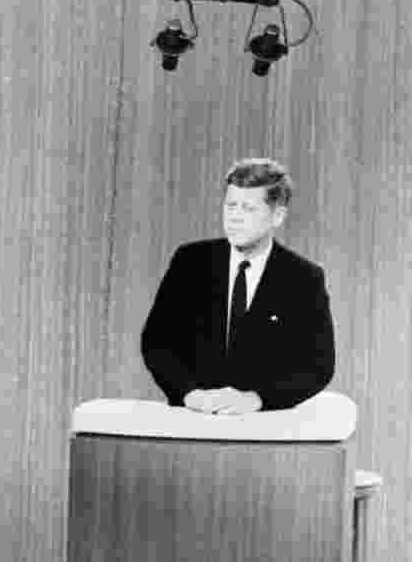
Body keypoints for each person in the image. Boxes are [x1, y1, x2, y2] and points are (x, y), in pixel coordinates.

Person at [141, 158, 335, 415]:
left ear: (277, 216)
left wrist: (257, 398)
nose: (235, 217)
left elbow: (318, 367)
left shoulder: (303, 278)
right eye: (231, 206)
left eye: (248, 209)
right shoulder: (191, 261)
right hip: (193, 417)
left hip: (263, 426)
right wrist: (189, 394)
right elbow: (156, 342)